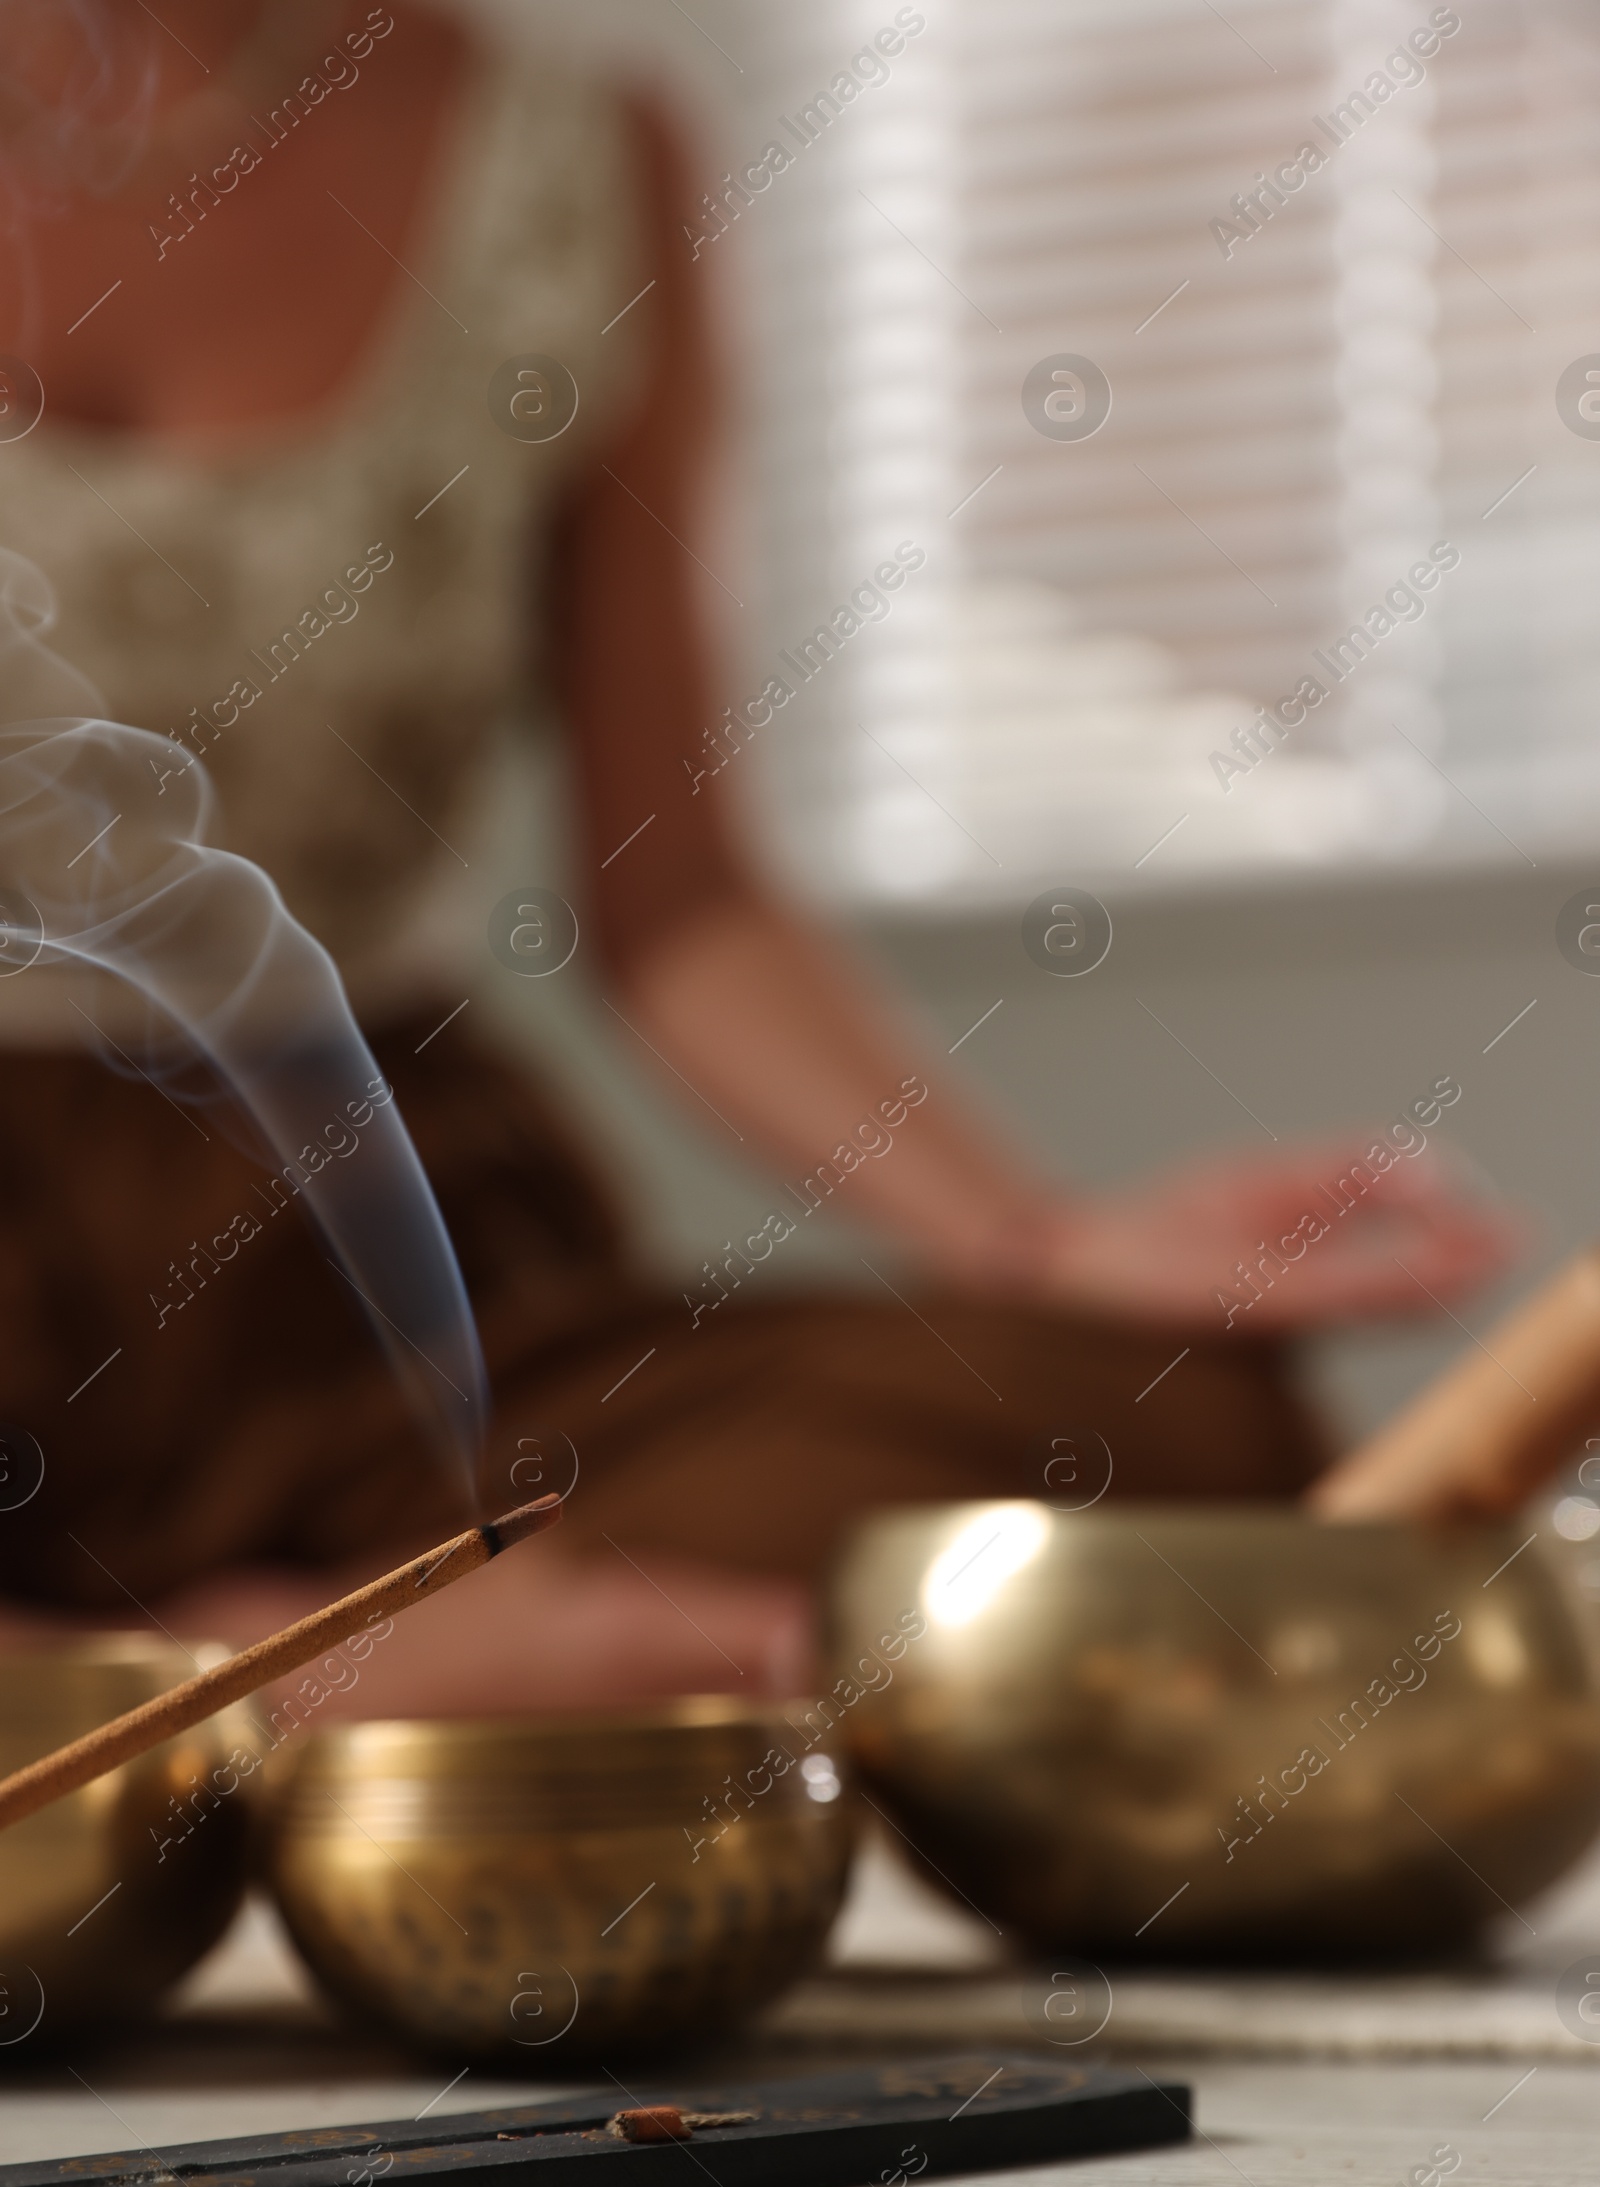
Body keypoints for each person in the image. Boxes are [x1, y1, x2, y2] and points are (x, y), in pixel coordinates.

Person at [0, 0, 1515, 1714]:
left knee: (1169, 1425)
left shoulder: (574, 158)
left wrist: (1032, 1247)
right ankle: (286, 1682)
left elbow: (684, 899)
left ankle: (231, 1680)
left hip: (358, 1266)